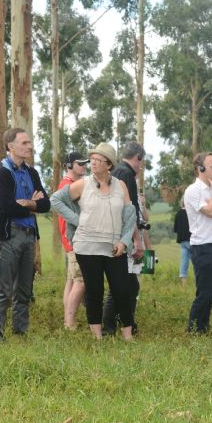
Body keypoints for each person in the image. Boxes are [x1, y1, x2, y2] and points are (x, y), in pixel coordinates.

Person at [58, 142, 136, 341]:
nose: (92, 163)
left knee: (122, 290)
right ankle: (97, 337)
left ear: (108, 165)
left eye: (97, 160)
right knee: (94, 291)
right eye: (91, 159)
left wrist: (125, 242)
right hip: (86, 246)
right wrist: (77, 220)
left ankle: (128, 335)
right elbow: (56, 200)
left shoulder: (121, 185)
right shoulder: (83, 184)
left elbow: (130, 216)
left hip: (114, 248)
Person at [0, 128, 50, 339]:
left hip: (29, 235)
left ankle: (20, 332)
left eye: (29, 142)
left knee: (25, 289)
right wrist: (33, 204)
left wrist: (29, 203)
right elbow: (7, 207)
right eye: (24, 143)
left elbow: (46, 204)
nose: (29, 146)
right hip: (10, 235)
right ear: (10, 146)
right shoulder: (2, 172)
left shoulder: (32, 172)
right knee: (3, 288)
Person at [184, 151, 212, 334]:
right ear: (200, 169)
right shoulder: (193, 191)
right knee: (204, 293)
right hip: (201, 247)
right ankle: (193, 328)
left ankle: (203, 326)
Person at [103, 141, 146, 336]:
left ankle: (124, 323)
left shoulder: (118, 172)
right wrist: (136, 240)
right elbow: (130, 211)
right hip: (124, 237)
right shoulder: (126, 174)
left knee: (129, 284)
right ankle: (110, 327)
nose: (141, 166)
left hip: (119, 235)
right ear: (137, 158)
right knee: (121, 285)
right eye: (141, 161)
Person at [50, 151, 88, 330]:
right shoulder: (67, 185)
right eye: (80, 163)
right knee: (81, 281)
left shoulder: (72, 184)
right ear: (69, 165)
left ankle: (68, 320)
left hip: (71, 241)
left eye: (85, 163)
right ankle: (70, 323)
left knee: (72, 281)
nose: (84, 166)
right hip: (74, 240)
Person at [173, 199, 191, 285]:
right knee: (197, 261)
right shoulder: (191, 213)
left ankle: (184, 284)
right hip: (192, 240)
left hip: (182, 241)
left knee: (184, 261)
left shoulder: (178, 214)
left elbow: (175, 229)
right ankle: (201, 282)